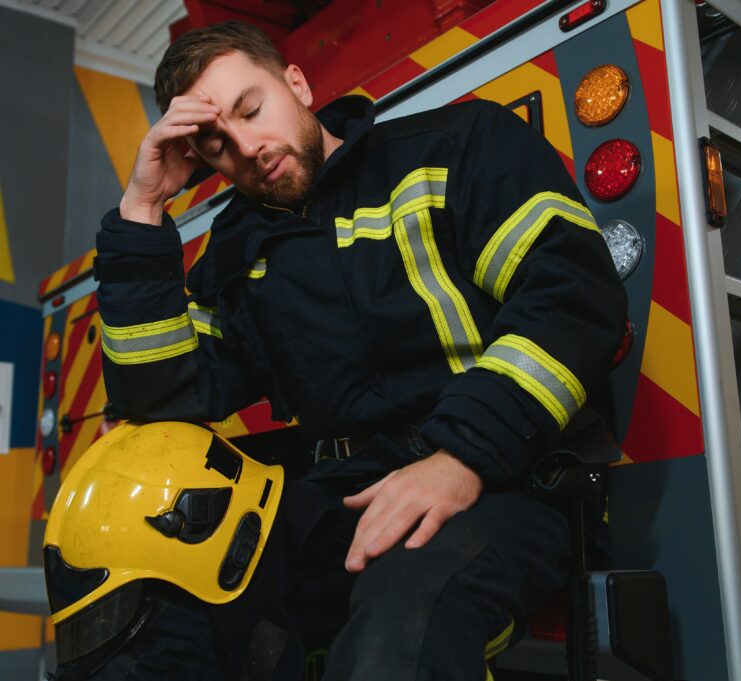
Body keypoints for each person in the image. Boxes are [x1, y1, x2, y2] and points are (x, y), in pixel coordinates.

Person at [68, 19, 626, 681]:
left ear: (297, 83)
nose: (246, 147)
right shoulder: (238, 251)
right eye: (217, 145)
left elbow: (571, 295)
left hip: (506, 481)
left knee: (399, 621)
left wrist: (459, 457)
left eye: (251, 108)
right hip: (338, 497)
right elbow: (159, 406)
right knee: (160, 612)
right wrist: (143, 206)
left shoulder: (455, 148)